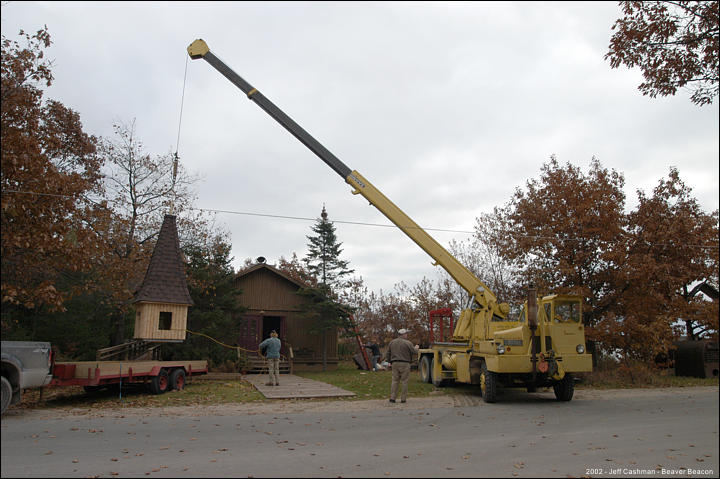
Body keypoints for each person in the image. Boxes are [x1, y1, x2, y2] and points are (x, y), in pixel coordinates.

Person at [385, 328, 419, 403]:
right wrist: (416, 348)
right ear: (403, 335)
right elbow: (414, 352)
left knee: (394, 381)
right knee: (404, 381)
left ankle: (392, 398)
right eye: (406, 334)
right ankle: (403, 399)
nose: (407, 335)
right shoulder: (408, 343)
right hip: (405, 363)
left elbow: (388, 353)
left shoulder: (392, 342)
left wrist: (389, 362)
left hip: (394, 363)